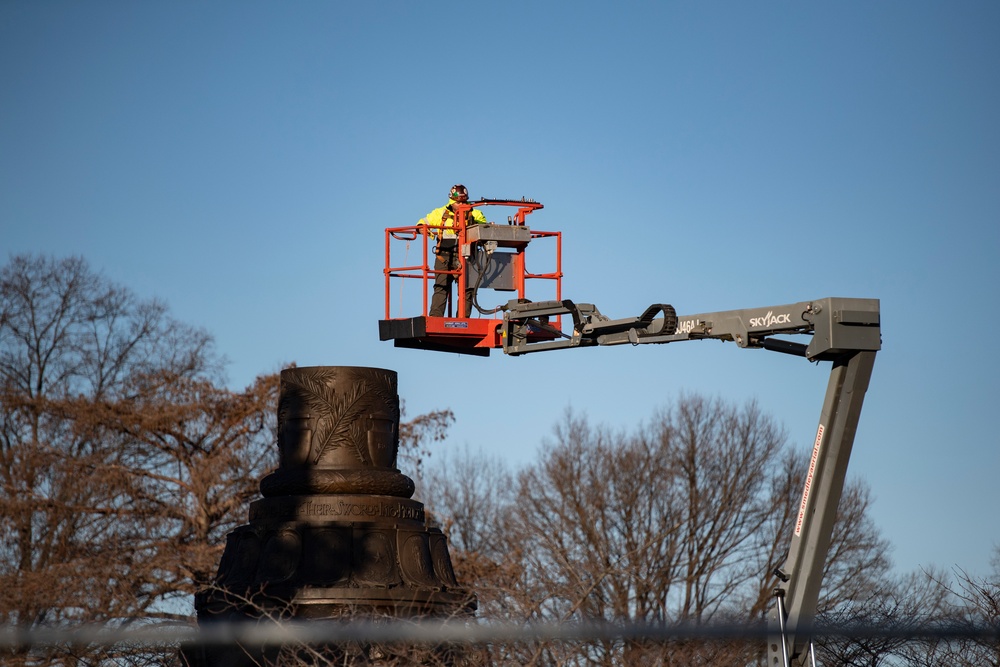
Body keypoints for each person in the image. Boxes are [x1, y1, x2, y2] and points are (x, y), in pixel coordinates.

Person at [418, 184, 488, 317]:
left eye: (463, 202)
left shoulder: (475, 213)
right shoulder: (440, 213)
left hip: (467, 255)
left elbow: (484, 229)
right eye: (458, 202)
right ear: (452, 200)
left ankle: (463, 319)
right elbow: (422, 222)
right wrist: (421, 227)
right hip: (444, 255)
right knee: (441, 286)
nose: (461, 204)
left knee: (467, 289)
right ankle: (435, 317)